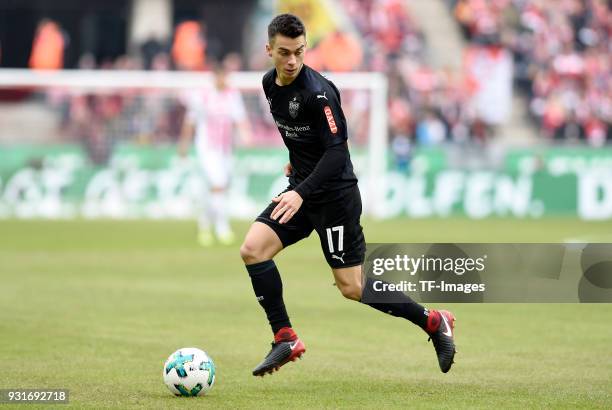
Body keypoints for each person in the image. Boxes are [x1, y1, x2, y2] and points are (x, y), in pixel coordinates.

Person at [240, 14, 457, 377]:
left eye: (298, 52)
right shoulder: (269, 84)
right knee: (252, 249)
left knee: (352, 287)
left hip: (334, 199)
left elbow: (337, 151)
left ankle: (434, 321)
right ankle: (285, 338)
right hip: (303, 190)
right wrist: (296, 164)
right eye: (284, 53)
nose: (292, 60)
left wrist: (301, 191)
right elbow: (300, 136)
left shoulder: (318, 93)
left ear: (305, 48)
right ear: (269, 51)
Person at [179, 64, 251, 245]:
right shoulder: (202, 95)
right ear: (215, 77)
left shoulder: (233, 95)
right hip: (207, 149)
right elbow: (190, 121)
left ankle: (204, 225)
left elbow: (240, 119)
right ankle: (222, 227)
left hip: (225, 149)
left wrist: (246, 136)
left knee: (217, 188)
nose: (225, 81)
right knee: (218, 184)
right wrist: (184, 145)